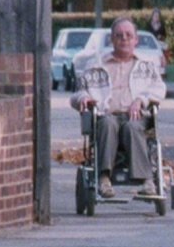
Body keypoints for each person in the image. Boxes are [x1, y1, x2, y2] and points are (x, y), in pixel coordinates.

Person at [70, 17, 166, 198]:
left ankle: (146, 181)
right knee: (107, 123)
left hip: (136, 117)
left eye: (129, 35)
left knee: (132, 127)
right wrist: (84, 97)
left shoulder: (147, 66)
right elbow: (77, 93)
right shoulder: (96, 65)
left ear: (136, 40)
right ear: (112, 40)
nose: (124, 39)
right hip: (107, 115)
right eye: (119, 35)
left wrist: (141, 100)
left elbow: (159, 89)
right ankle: (104, 178)